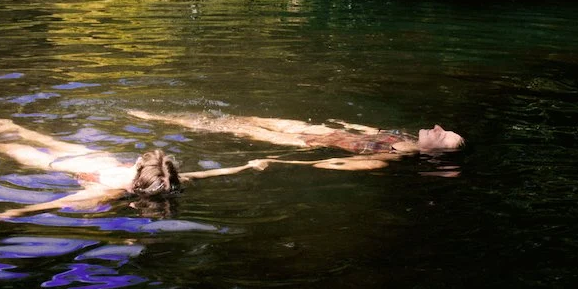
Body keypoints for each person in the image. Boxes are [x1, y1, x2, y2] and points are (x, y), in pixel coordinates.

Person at [0, 119, 262, 228]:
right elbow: (213, 174)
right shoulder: (166, 181)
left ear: (138, 170)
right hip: (84, 161)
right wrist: (247, 166)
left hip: (76, 161)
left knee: (6, 147)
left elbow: (42, 207)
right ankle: (13, 128)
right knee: (38, 143)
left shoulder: (106, 192)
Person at [126, 109, 465, 170]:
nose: (437, 127)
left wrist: (283, 160)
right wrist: (349, 124)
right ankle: (158, 115)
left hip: (308, 143)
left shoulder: (392, 157)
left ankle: (155, 117)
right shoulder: (404, 138)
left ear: (432, 152)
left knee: (228, 128)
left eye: (441, 134)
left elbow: (337, 163)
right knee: (246, 119)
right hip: (319, 130)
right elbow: (370, 134)